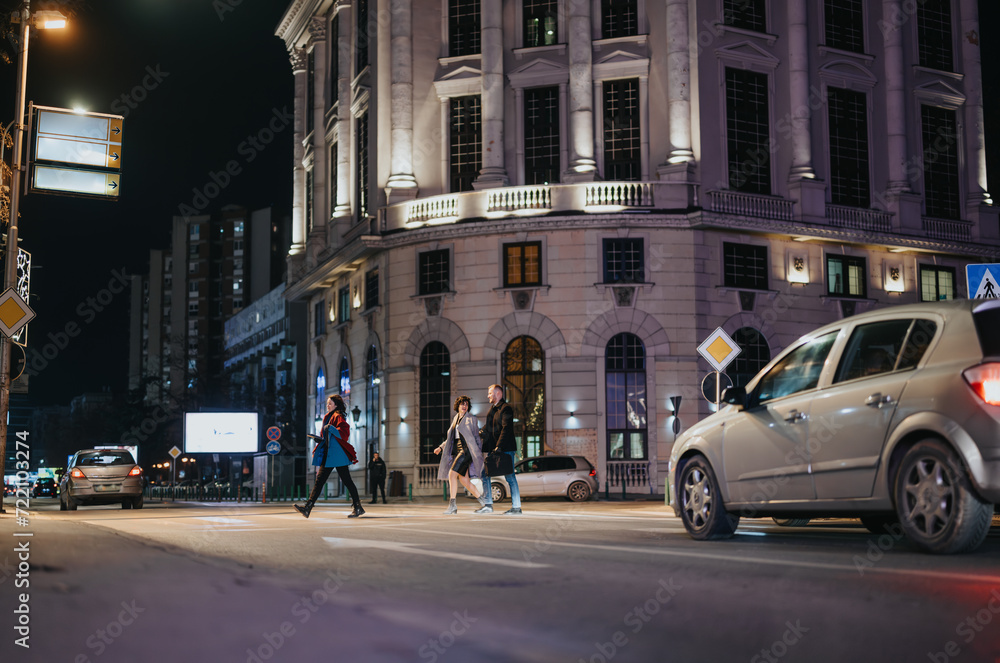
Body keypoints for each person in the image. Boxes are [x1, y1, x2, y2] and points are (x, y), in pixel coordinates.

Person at [295, 394, 365, 519]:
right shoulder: (328, 417)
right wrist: (319, 440)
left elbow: (344, 432)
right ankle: (308, 508)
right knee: (322, 481)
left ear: (336, 405)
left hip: (336, 454)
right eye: (327, 403)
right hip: (330, 454)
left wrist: (332, 429)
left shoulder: (337, 416)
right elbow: (328, 436)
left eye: (330, 404)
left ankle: (358, 507)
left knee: (343, 481)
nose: (327, 406)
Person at [433, 395, 490, 514]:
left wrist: (478, 453)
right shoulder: (456, 418)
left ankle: (452, 505)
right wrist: (440, 447)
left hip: (467, 450)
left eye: (466, 404)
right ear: (457, 406)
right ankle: (485, 504)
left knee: (452, 474)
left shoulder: (471, 419)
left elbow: (476, 438)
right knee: (465, 481)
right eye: (462, 404)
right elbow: (450, 438)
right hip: (459, 450)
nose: (464, 406)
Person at [482, 384, 522, 515]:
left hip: (505, 449)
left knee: (510, 477)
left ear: (498, 393)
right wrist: (481, 431)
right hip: (494, 449)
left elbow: (506, 429)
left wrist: (499, 446)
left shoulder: (506, 409)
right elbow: (488, 426)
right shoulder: (492, 410)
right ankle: (488, 505)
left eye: (490, 393)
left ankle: (516, 507)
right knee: (485, 474)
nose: (488, 396)